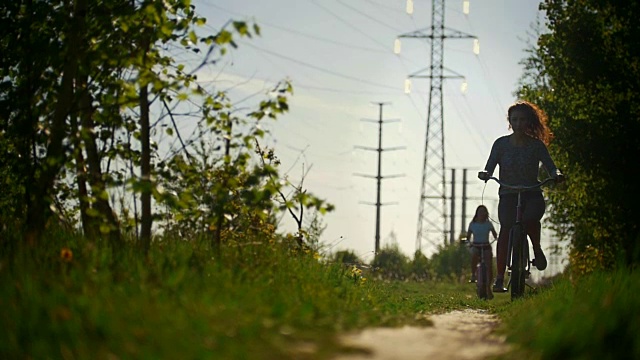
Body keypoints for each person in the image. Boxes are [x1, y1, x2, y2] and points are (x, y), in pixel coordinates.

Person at [478, 100, 564, 293]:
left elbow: (551, 166)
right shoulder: (500, 144)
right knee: (506, 230)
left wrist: (556, 175)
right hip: (508, 194)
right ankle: (499, 278)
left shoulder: (536, 146)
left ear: (528, 122)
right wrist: (485, 173)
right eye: (514, 119)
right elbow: (490, 165)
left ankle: (536, 248)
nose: (518, 123)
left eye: (522, 120)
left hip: (532, 193)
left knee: (530, 218)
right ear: (510, 121)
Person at [466, 205, 497, 287]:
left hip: (486, 246)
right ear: (477, 213)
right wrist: (468, 243)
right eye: (480, 212)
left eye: (483, 212)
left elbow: (495, 235)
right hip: (476, 246)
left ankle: (488, 286)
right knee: (474, 255)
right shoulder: (472, 224)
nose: (482, 214)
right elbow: (468, 237)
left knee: (489, 264)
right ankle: (473, 274)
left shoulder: (488, 224)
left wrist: (497, 238)